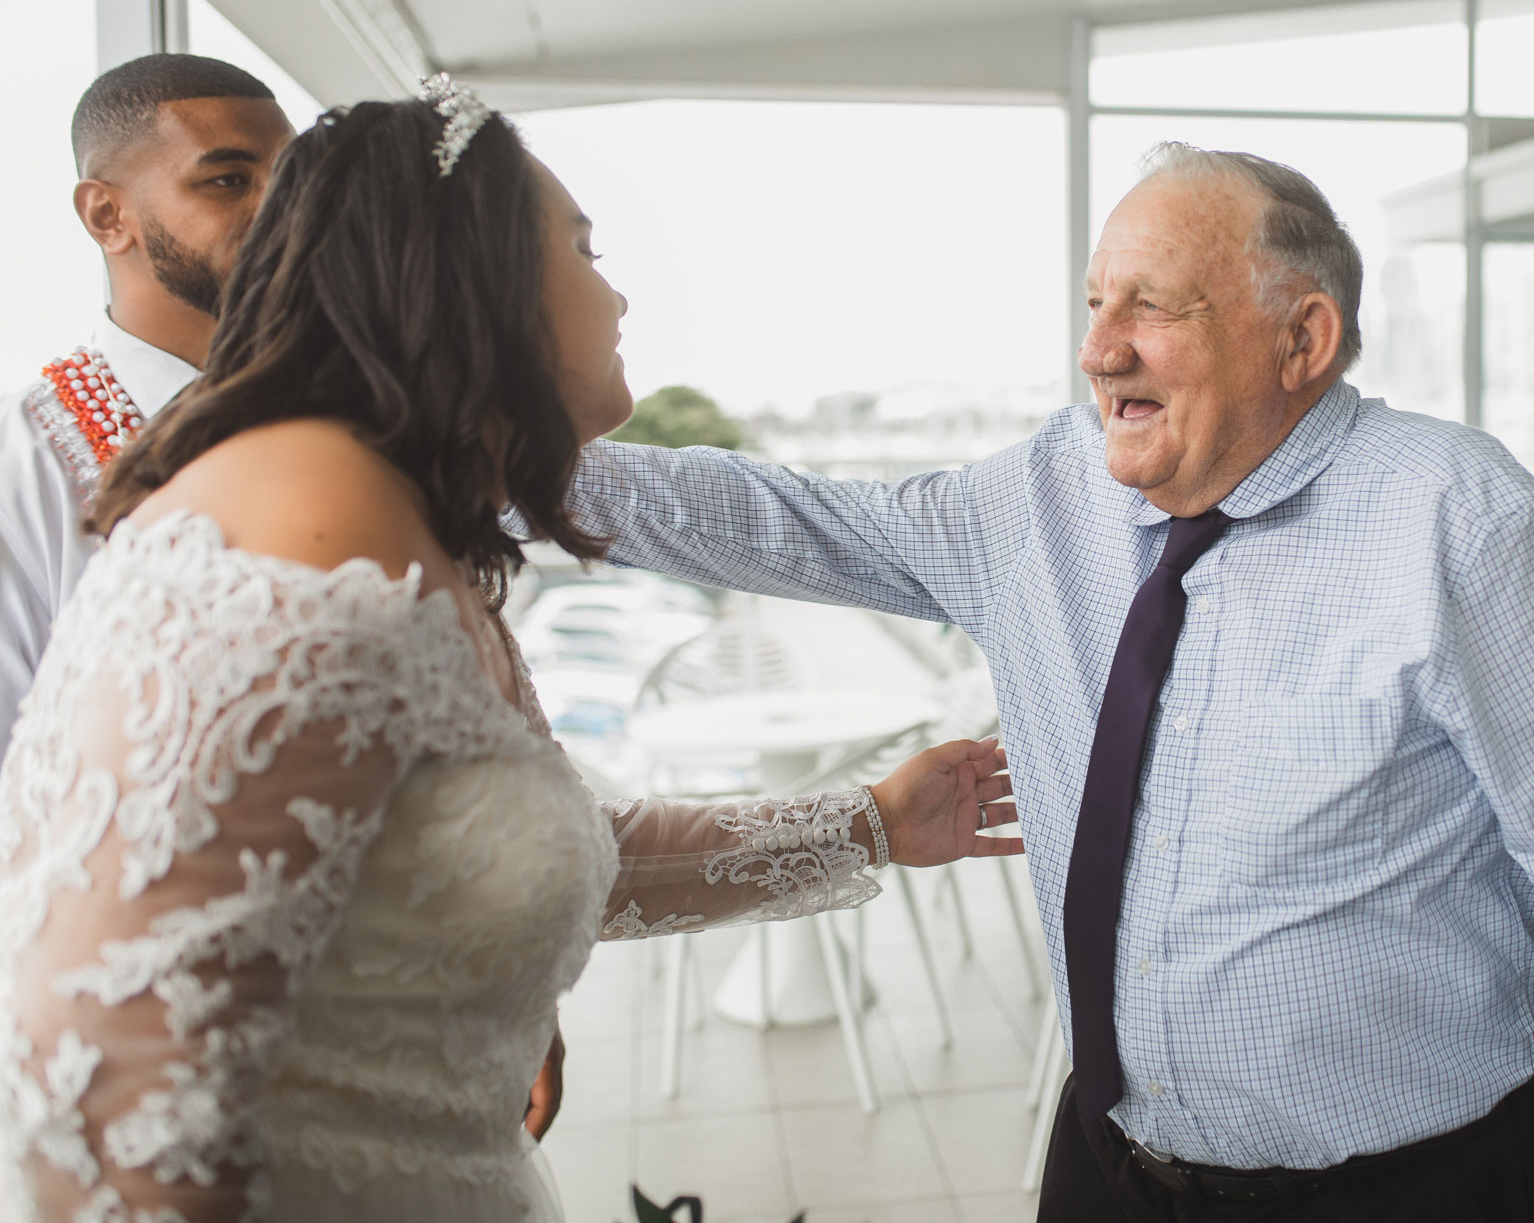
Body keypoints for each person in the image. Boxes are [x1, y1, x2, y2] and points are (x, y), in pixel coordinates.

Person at [552, 143, 1534, 1221]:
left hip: (1408, 1188)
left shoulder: (1458, 523)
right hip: (1109, 1166)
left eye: (1151, 307)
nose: (1098, 348)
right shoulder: (1042, 497)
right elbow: (782, 519)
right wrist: (488, 465)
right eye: (1091, 303)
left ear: (1303, 339)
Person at [0, 82, 1020, 1223]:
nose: (620, 294)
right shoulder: (300, 558)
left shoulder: (401, 530)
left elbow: (561, 851)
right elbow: (101, 1086)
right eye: (583, 247)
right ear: (469, 284)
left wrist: (871, 821)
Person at [0, 54, 293, 746]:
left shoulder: (362, 409)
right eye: (229, 180)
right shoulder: (23, 457)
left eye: (292, 179)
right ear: (107, 215)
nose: (282, 211)